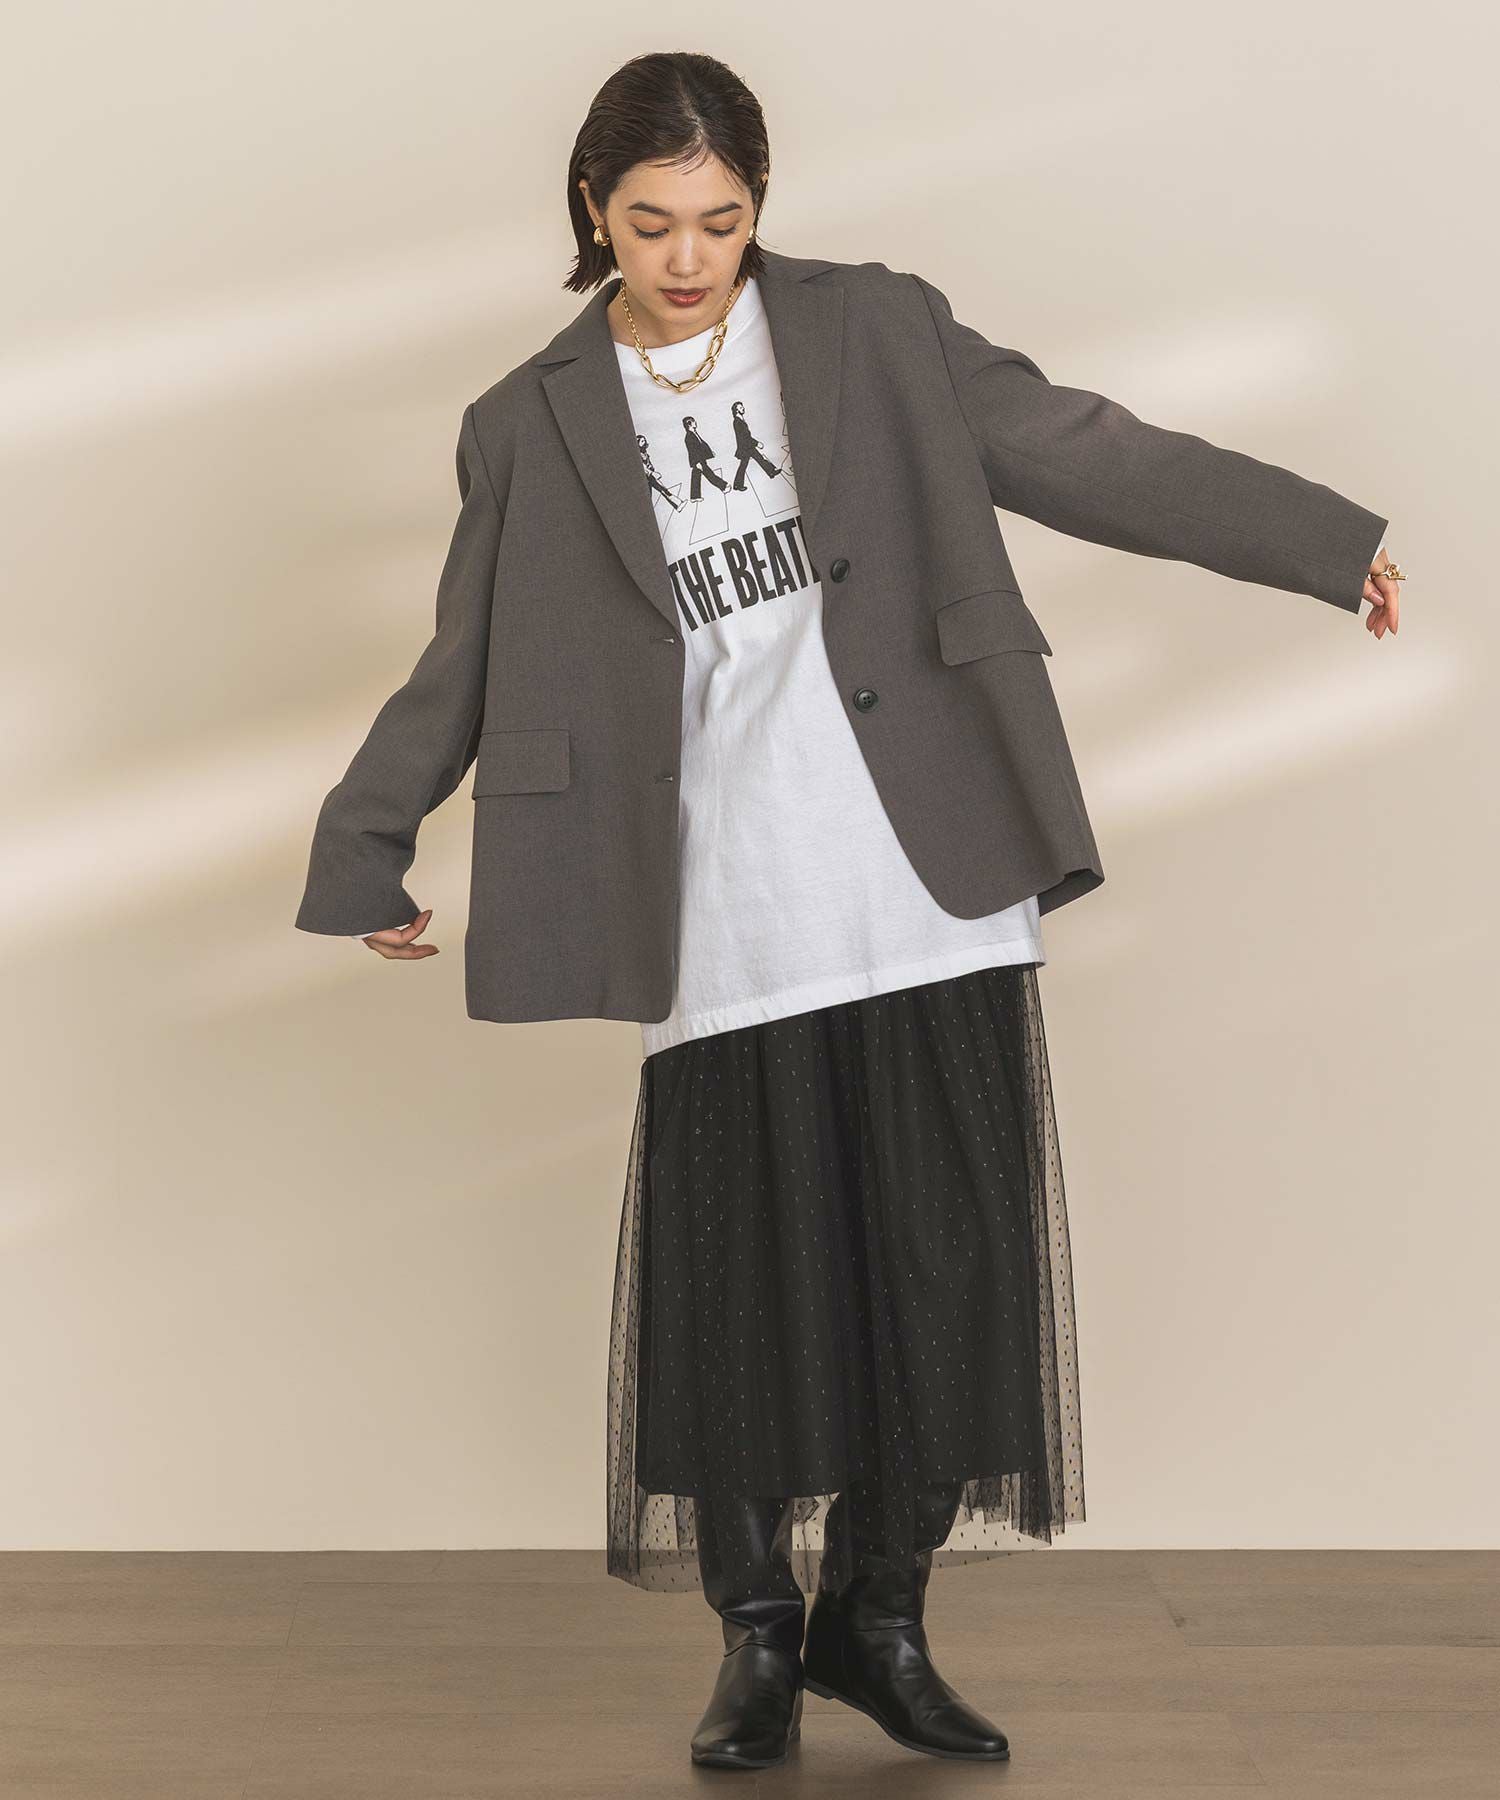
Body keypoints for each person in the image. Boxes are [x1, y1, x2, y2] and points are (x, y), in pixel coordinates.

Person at [297, 50, 1403, 1774]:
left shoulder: (873, 328)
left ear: (760, 206)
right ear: (592, 210)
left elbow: (1083, 448)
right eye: (651, 223)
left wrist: (1322, 542)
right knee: (740, 1293)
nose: (688, 257)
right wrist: (365, 845)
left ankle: (879, 1625)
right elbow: (468, 655)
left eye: (721, 219)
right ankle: (756, 1640)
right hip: (722, 899)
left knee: (947, 1270)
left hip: (922, 870)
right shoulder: (528, 420)